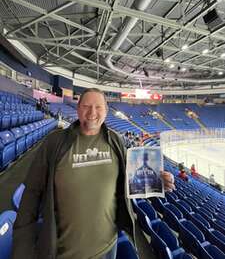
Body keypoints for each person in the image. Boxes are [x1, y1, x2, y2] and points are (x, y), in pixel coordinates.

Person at [12, 88, 175, 259]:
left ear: (106, 110)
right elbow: (31, 194)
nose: (92, 113)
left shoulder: (116, 141)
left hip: (108, 247)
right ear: (78, 109)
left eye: (98, 107)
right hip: (64, 252)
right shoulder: (54, 143)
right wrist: (22, 250)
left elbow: (125, 182)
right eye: (86, 106)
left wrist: (155, 181)